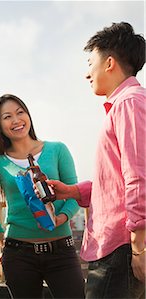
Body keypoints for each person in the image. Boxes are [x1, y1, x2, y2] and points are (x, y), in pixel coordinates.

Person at [44, 22, 146, 298]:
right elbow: (116, 181)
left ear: (109, 63)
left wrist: (139, 248)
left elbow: (138, 177)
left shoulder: (129, 103)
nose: (87, 73)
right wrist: (73, 191)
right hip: (121, 245)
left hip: (121, 246)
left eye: (91, 62)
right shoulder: (128, 104)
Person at [0, 94, 84, 298]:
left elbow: (75, 194)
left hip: (61, 250)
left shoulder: (57, 150)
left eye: (20, 112)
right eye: (7, 116)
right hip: (18, 254)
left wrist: (60, 219)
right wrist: (3, 240)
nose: (16, 120)